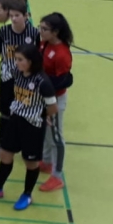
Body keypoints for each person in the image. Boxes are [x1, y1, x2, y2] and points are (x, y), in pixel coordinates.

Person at [0, 44, 58, 211]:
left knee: (31, 162)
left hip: (33, 126)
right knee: (5, 154)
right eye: (16, 58)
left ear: (31, 61)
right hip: (15, 121)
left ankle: (27, 195)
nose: (16, 62)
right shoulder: (17, 73)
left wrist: (40, 115)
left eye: (20, 59)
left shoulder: (43, 82)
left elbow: (53, 107)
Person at [0, 0, 40, 162]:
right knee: (5, 112)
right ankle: (1, 145)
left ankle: (25, 145)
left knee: (25, 112)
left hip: (27, 79)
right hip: (8, 76)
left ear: (26, 16)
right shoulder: (3, 32)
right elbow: (1, 53)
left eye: (17, 15)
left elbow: (37, 57)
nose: (13, 18)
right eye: (11, 15)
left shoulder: (34, 33)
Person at [38, 13, 74, 192]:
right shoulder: (44, 44)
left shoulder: (61, 54)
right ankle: (46, 162)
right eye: (40, 27)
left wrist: (42, 84)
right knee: (46, 132)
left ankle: (57, 176)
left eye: (44, 29)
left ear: (56, 32)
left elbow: (63, 80)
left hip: (55, 100)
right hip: (43, 97)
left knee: (56, 137)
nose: (41, 31)